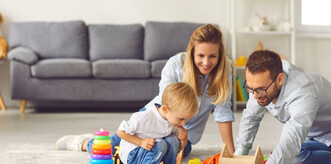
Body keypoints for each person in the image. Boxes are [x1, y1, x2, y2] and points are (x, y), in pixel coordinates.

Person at [56, 24, 235, 156]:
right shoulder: (176, 64)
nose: (206, 62)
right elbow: (167, 105)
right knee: (107, 150)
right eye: (201, 56)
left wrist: (232, 154)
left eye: (213, 56)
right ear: (192, 53)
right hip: (153, 120)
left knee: (162, 155)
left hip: (183, 135)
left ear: (220, 55)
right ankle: (85, 142)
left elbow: (222, 112)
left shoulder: (225, 69)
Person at [232, 49, 331, 164]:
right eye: (251, 88)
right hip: (318, 142)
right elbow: (251, 117)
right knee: (290, 158)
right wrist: (239, 157)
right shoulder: (261, 83)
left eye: (260, 90)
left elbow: (290, 140)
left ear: (280, 79)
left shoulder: (303, 91)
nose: (254, 96)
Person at [118, 82, 198, 164]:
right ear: (165, 109)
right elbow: (120, 132)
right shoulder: (145, 117)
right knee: (160, 143)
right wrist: (141, 142)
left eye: (186, 119)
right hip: (133, 157)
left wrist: (184, 139)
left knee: (172, 140)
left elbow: (179, 148)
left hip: (152, 154)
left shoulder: (172, 120)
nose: (184, 123)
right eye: (181, 119)